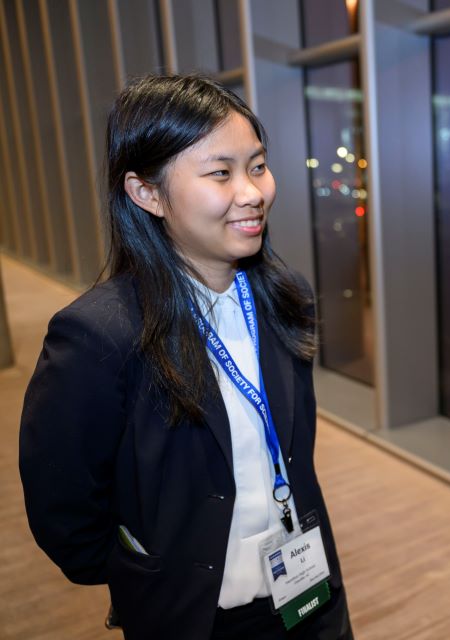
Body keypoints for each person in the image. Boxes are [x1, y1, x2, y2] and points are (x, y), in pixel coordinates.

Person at [20, 75, 351, 640]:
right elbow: (63, 506)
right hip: (191, 616)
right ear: (146, 193)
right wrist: (145, 570)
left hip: (307, 594)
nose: (252, 192)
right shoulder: (101, 333)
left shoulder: (286, 296)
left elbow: (295, 452)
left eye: (258, 166)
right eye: (221, 173)